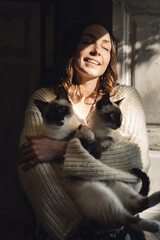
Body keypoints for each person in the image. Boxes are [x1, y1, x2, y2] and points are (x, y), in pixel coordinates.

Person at [17, 22, 149, 240]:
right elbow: (33, 167)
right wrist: (82, 223)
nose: (97, 50)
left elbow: (136, 162)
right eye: (87, 41)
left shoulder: (125, 99)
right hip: (65, 229)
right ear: (72, 49)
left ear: (109, 59)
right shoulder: (45, 100)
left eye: (106, 47)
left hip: (116, 224)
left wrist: (62, 150)